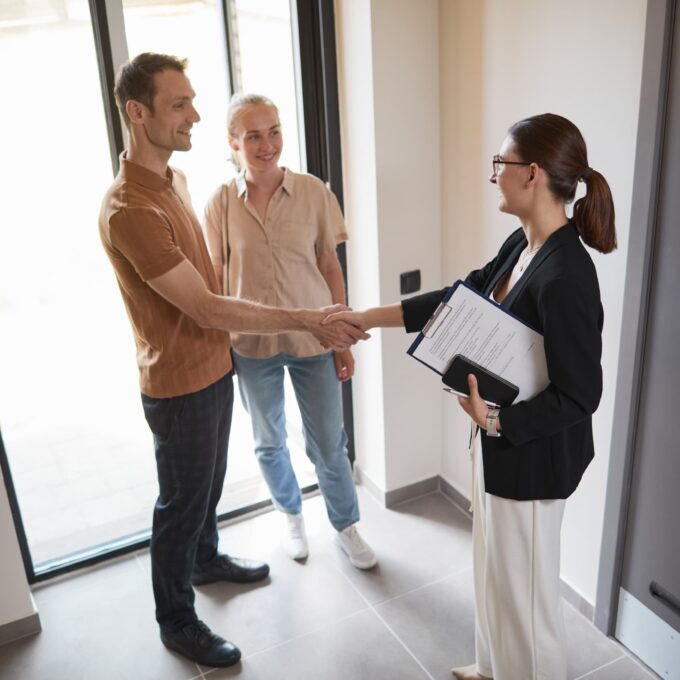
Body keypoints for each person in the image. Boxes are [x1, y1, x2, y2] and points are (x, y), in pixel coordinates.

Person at [98, 53, 368, 669]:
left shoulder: (173, 183)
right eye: (179, 104)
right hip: (181, 381)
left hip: (216, 369)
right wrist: (307, 319)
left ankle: (207, 558)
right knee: (181, 503)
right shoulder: (131, 209)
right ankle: (177, 620)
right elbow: (208, 304)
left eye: (193, 101)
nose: (192, 113)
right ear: (138, 114)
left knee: (209, 487)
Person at [324, 113, 616, 680]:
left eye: (499, 164)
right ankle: (491, 667)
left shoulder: (568, 276)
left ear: (531, 174)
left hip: (531, 460)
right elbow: (457, 299)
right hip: (495, 439)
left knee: (528, 608)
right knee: (491, 574)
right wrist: (365, 318)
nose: (493, 176)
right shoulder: (523, 244)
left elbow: (582, 396)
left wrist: (499, 423)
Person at [203, 93, 376, 569]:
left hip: (313, 340)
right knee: (268, 440)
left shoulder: (314, 193)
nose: (267, 144)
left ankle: (346, 526)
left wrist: (341, 336)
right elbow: (216, 275)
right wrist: (219, 344)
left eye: (274, 131)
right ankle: (291, 516)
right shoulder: (219, 203)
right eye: (254, 135)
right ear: (233, 142)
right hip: (251, 346)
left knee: (328, 442)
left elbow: (328, 265)